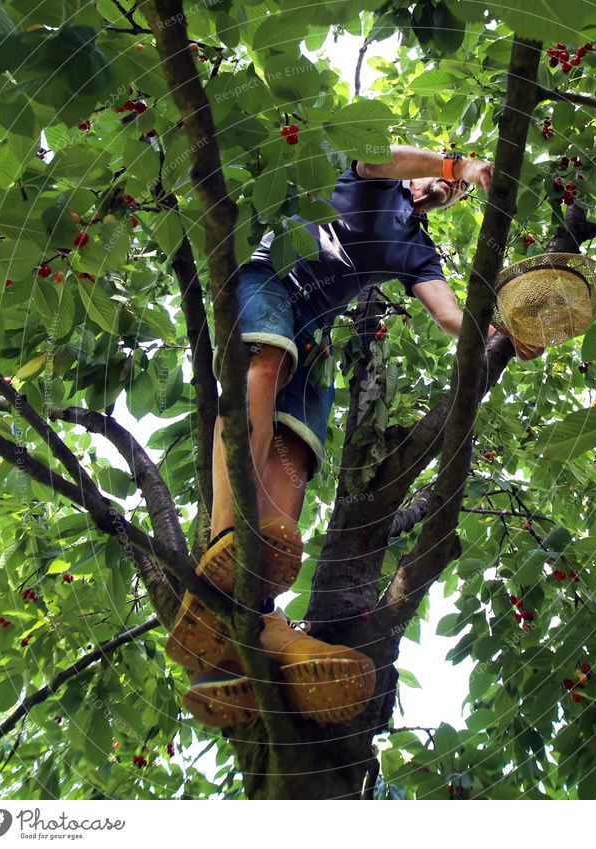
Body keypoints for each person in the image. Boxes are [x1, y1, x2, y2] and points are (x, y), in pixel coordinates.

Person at [166, 145, 544, 728]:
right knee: (263, 360)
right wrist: (460, 166)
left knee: (295, 455)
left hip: (314, 329)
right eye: (436, 175)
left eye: (456, 191)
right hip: (270, 280)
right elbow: (381, 158)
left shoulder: (417, 250)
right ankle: (225, 543)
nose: (442, 188)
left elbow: (450, 316)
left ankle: (256, 624)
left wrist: (504, 336)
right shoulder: (368, 178)